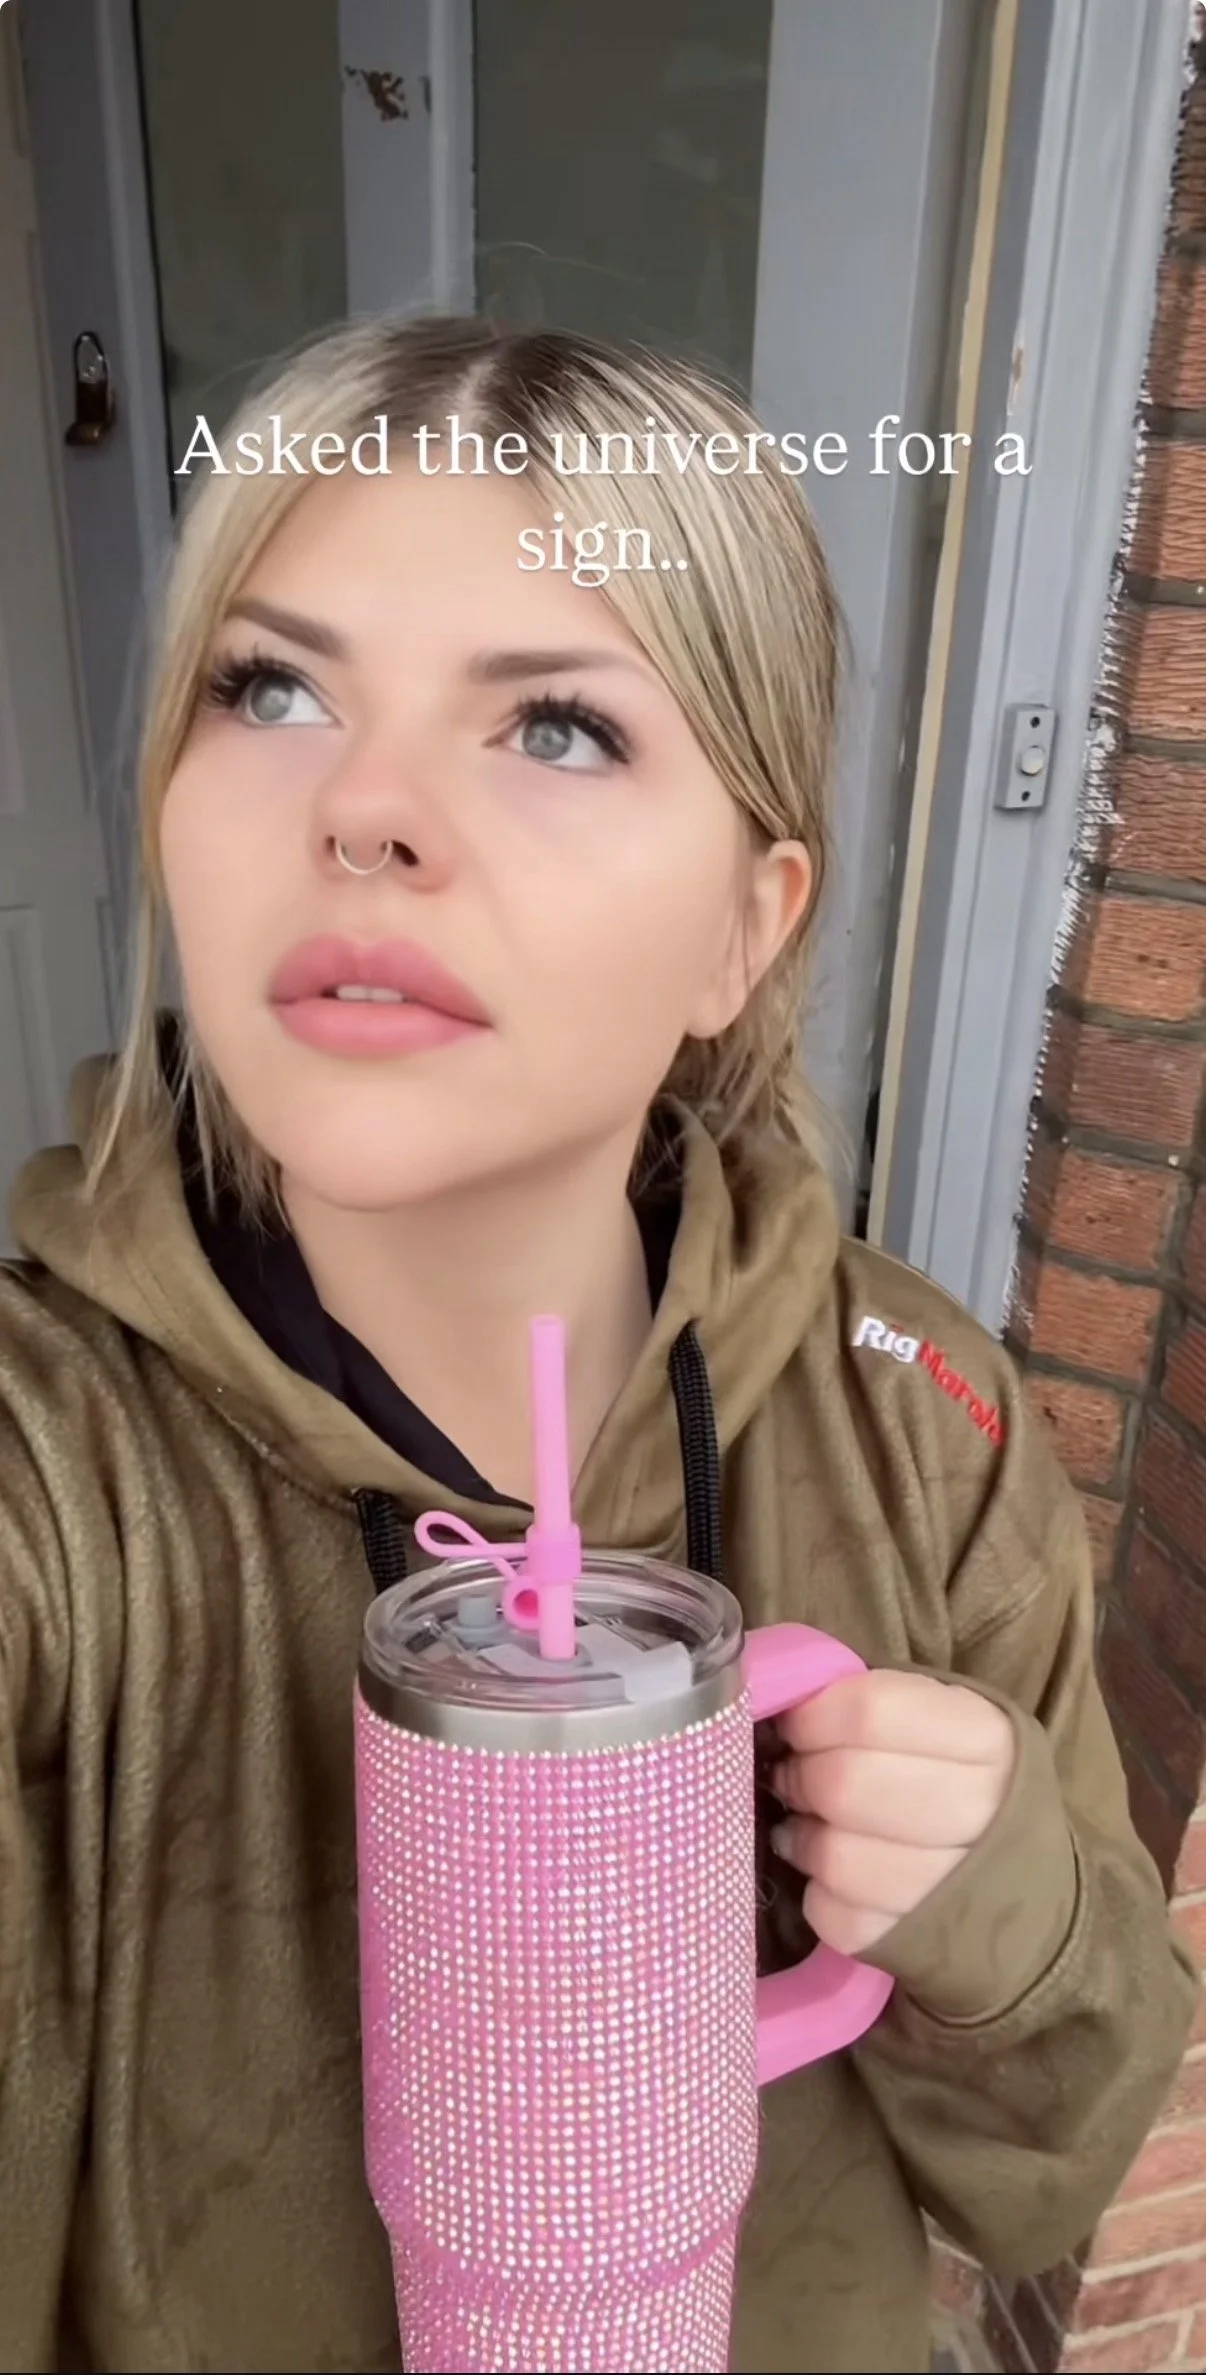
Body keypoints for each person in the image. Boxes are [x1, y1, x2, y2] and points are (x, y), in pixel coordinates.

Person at [0, 313, 1194, 2375]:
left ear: (749, 920)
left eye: (554, 725)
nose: (364, 808)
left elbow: (1045, 2175)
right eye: (270, 686)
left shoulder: (918, 1413)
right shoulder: (52, 1471)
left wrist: (986, 1881)